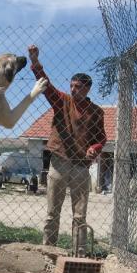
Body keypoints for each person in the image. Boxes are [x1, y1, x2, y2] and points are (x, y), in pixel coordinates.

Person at [28, 44, 106, 257]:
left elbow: (102, 138)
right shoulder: (62, 101)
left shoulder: (96, 112)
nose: (73, 89)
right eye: (71, 86)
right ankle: (48, 252)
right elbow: (46, 86)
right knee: (52, 213)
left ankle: (78, 254)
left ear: (87, 88)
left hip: (81, 166)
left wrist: (95, 148)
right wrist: (35, 63)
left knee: (79, 216)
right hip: (59, 162)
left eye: (78, 87)